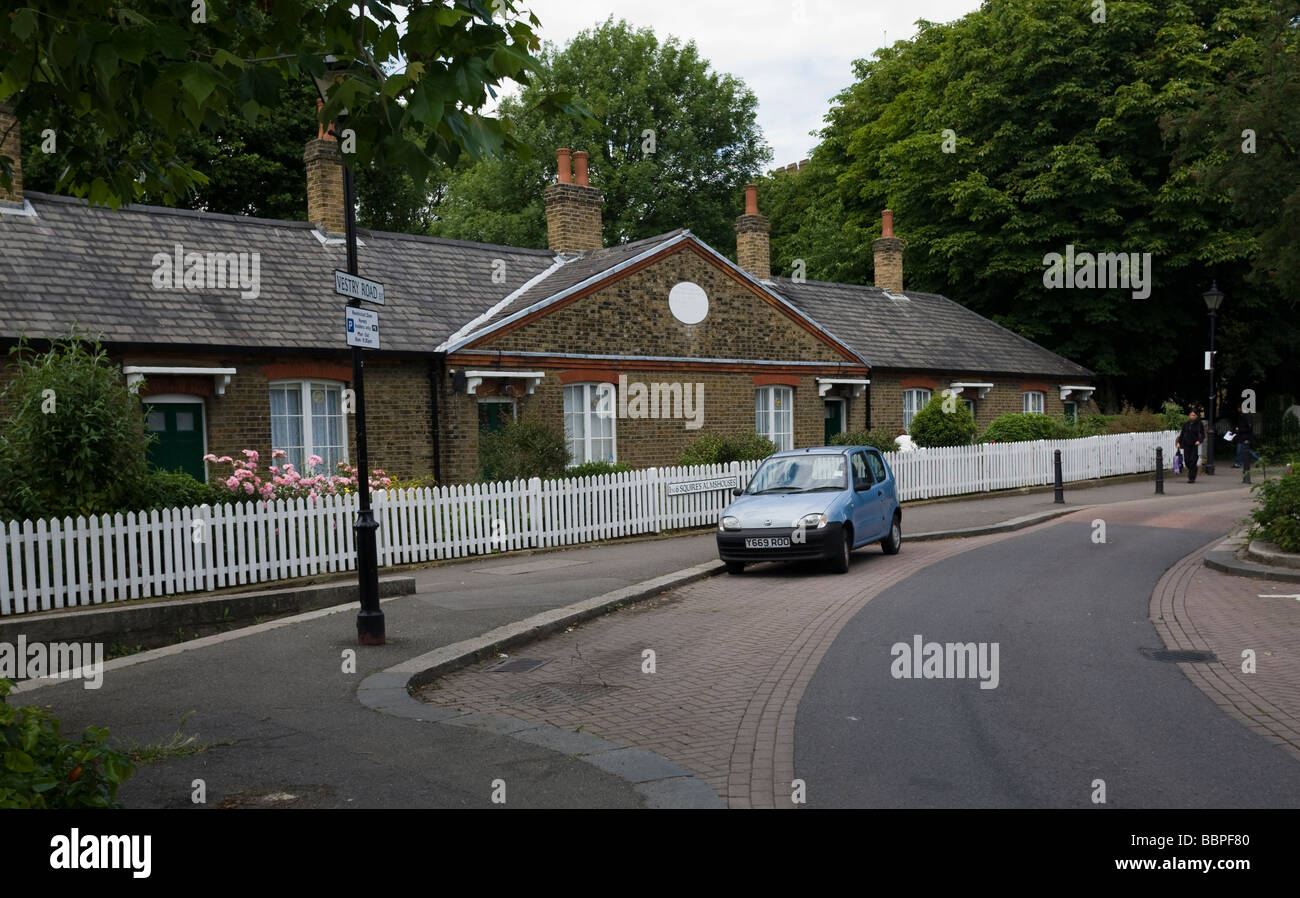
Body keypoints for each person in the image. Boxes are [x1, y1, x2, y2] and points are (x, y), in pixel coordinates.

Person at [1176, 409, 1205, 483]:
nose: (1192, 417)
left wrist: (1199, 441)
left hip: (1194, 445)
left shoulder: (1199, 424)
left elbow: (1202, 435)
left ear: (1197, 416)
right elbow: (1182, 434)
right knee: (1187, 461)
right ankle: (1193, 470)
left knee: (1192, 461)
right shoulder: (1186, 424)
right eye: (1191, 415)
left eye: (1194, 415)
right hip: (1186, 445)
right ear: (1189, 416)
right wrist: (1179, 442)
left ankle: (1191, 478)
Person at [1235, 405, 1257, 483]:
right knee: (1245, 450)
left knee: (1245, 450)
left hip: (1245, 437)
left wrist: (1239, 429)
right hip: (1243, 436)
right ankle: (1238, 462)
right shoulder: (1244, 415)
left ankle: (1239, 463)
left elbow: (1248, 427)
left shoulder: (1246, 416)